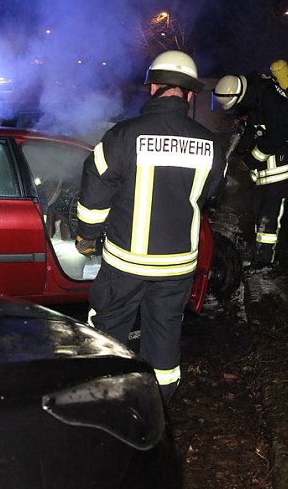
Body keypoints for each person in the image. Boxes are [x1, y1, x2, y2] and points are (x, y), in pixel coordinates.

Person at [75, 50, 226, 405]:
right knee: (164, 335)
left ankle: (106, 404)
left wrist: (86, 237)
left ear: (153, 87)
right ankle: (156, 410)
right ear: (190, 95)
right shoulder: (211, 146)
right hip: (177, 268)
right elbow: (209, 196)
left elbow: (94, 195)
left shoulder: (123, 136)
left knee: (108, 335)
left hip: (125, 264)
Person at [212, 70, 288, 268]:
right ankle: (260, 256)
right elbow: (254, 129)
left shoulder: (269, 98)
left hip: (278, 169)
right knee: (261, 215)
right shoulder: (256, 96)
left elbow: (275, 137)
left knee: (268, 218)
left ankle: (265, 263)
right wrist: (241, 151)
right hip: (264, 171)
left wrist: (249, 161)